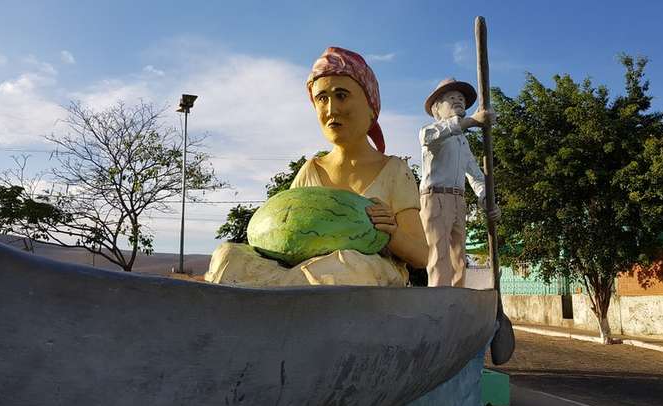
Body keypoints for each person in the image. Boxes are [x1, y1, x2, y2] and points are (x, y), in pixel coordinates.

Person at [204, 47, 428, 287]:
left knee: (349, 267)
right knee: (226, 258)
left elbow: (422, 256)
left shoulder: (394, 171)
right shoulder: (310, 170)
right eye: (322, 98)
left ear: (371, 108)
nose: (331, 109)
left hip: (364, 278)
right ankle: (289, 291)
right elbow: (283, 234)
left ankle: (284, 293)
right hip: (301, 275)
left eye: (342, 95)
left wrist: (391, 233)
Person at [419, 77, 501, 288]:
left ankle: (457, 303)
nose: (459, 101)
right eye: (451, 98)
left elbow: (475, 175)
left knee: (459, 258)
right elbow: (428, 138)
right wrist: (473, 121)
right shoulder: (432, 132)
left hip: (458, 201)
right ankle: (439, 307)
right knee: (439, 256)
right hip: (435, 198)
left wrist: (487, 199)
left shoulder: (461, 141)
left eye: (461, 98)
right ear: (437, 109)